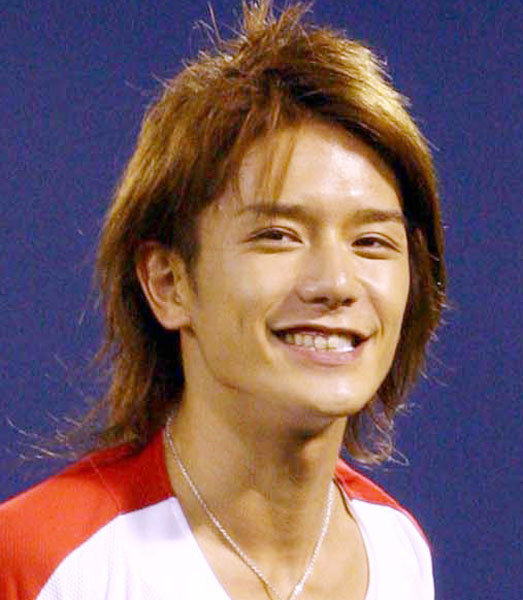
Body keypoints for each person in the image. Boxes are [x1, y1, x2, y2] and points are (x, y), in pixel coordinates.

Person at [0, 1, 446, 598]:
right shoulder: (40, 563)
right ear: (169, 282)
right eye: (278, 235)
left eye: (371, 241)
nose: (337, 283)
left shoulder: (397, 549)